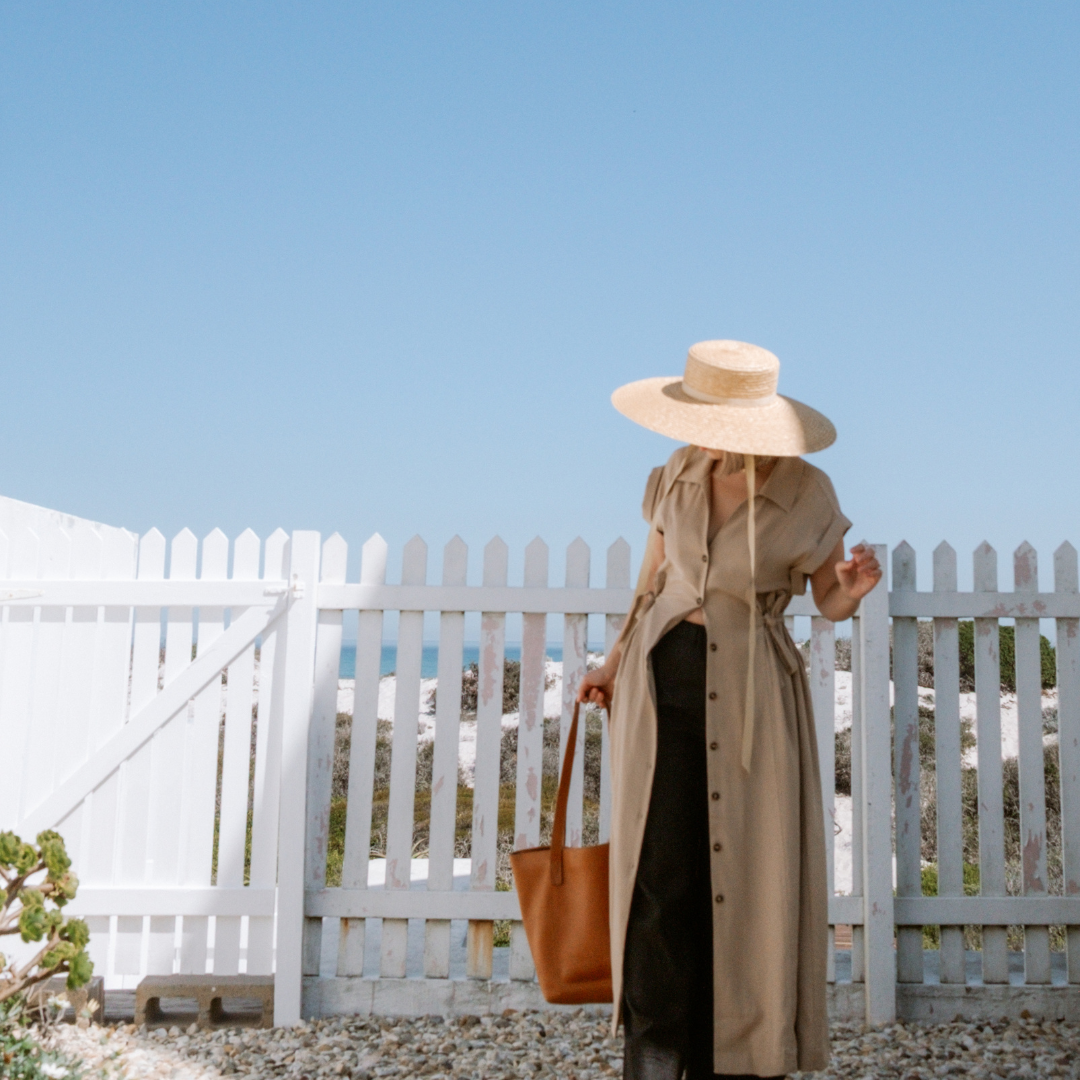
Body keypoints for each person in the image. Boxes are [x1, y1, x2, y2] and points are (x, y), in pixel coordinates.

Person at [577, 340, 881, 1080]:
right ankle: (654, 1056)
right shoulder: (679, 471)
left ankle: (739, 1056)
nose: (702, 434)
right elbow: (652, 581)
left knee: (750, 881)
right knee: (659, 875)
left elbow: (826, 601)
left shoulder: (809, 493)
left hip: (753, 699)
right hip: (660, 687)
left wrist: (851, 586)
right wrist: (614, 661)